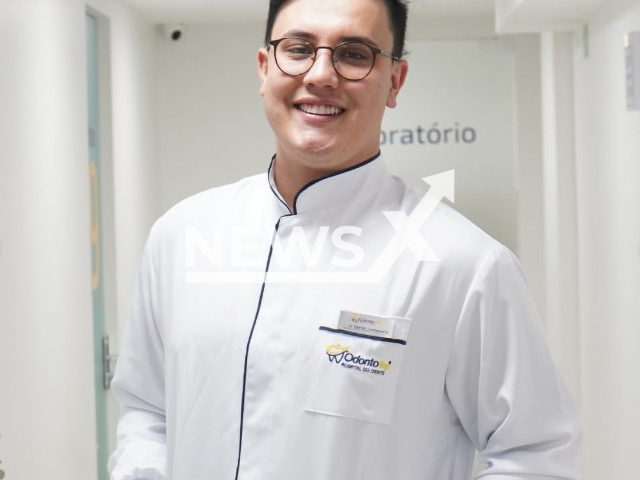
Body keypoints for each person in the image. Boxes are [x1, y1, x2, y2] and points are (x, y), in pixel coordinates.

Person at [108, 0, 582, 478]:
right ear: (264, 67)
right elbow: (149, 410)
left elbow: (536, 454)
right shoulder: (183, 235)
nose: (320, 75)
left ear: (394, 81)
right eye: (298, 49)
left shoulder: (463, 264)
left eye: (354, 54)